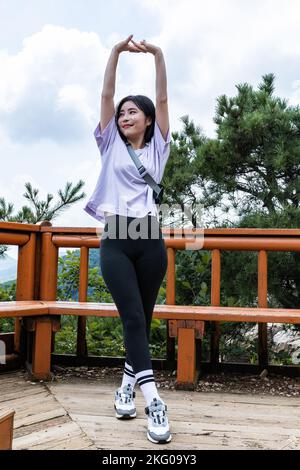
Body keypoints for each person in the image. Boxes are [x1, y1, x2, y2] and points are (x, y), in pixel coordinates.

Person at [84, 34, 172, 444]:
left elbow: (164, 98)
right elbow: (106, 92)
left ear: (149, 120)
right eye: (121, 113)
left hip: (151, 240)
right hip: (117, 237)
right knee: (133, 318)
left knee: (142, 321)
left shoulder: (158, 150)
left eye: (132, 112)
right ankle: (155, 400)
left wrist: (157, 55)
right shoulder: (109, 145)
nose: (123, 116)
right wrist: (115, 52)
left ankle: (125, 387)